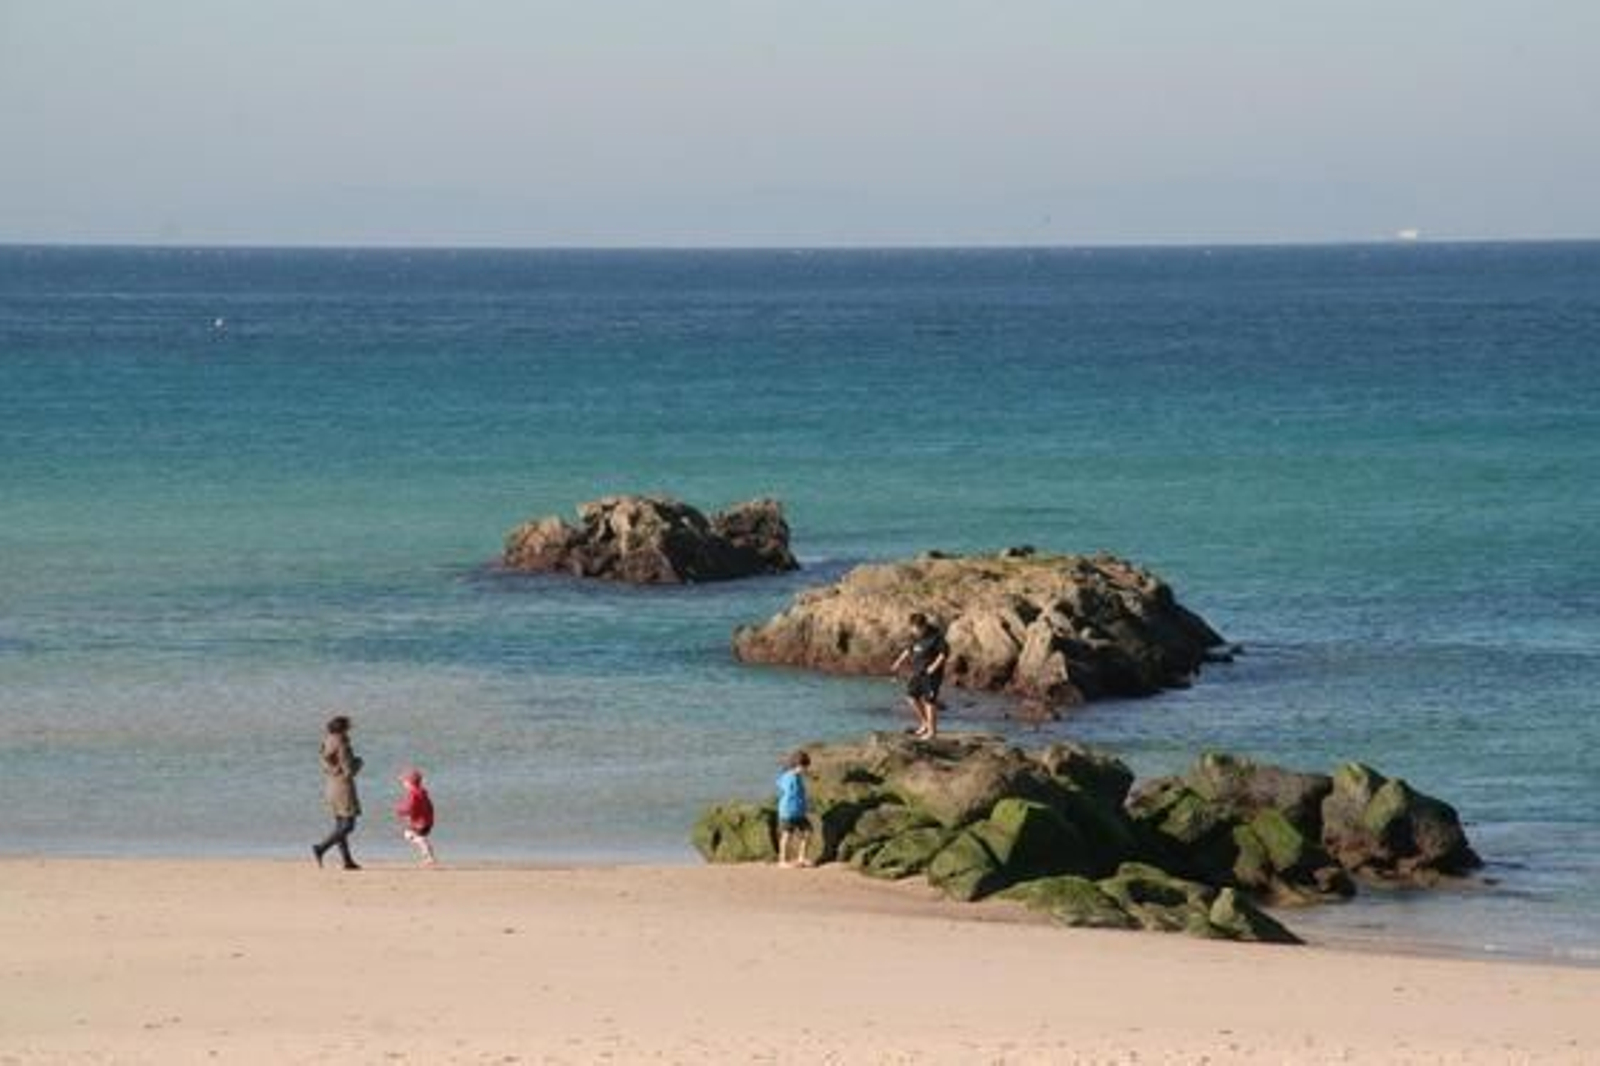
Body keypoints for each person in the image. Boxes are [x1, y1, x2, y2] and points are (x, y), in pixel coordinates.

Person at [312, 715, 364, 870]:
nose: (350, 729)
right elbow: (349, 770)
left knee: (340, 825)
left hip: (331, 785)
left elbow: (326, 763)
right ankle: (321, 848)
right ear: (343, 728)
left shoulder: (327, 740)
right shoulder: (342, 742)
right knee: (348, 825)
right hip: (343, 787)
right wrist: (359, 763)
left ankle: (347, 861)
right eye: (349, 726)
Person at [891, 612, 948, 739]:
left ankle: (932, 732)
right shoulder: (914, 636)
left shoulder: (936, 636)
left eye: (915, 628)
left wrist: (934, 667)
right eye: (912, 628)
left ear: (923, 626)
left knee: (929, 701)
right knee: (911, 697)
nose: (913, 631)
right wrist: (898, 662)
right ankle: (925, 723)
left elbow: (944, 654)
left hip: (931, 675)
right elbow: (908, 649)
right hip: (917, 672)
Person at [774, 750, 813, 868]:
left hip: (799, 812)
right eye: (805, 767)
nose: (806, 770)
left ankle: (801, 857)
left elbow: (799, 794)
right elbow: (788, 793)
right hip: (787, 812)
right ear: (798, 766)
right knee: (787, 835)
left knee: (808, 832)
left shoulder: (797, 776)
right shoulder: (789, 778)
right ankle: (782, 861)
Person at [394, 768, 437, 867]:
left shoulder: (413, 794)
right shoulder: (422, 793)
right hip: (426, 821)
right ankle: (427, 857)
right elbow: (430, 807)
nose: (403, 785)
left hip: (420, 822)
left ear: (410, 783)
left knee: (409, 835)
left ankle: (428, 855)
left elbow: (410, 806)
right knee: (414, 835)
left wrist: (401, 810)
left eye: (404, 782)